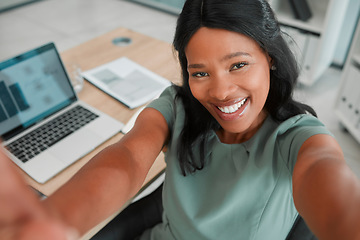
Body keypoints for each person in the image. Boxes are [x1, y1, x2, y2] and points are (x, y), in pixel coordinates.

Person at [1, 0, 360, 239]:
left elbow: (327, 178)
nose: (220, 92)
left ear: (271, 58)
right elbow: (126, 158)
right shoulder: (178, 106)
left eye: (238, 65)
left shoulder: (296, 137)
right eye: (199, 72)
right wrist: (51, 221)